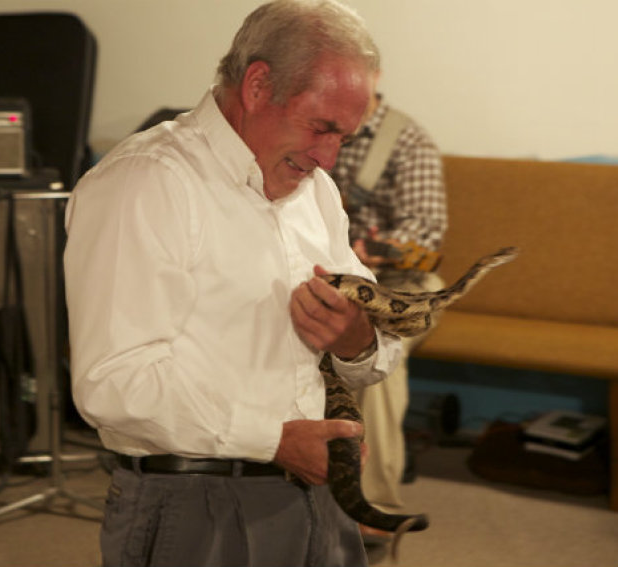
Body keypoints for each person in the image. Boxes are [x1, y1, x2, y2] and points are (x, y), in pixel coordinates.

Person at [63, 1, 404, 566]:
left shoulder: (315, 192)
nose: (328, 158)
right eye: (321, 127)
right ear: (258, 84)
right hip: (195, 504)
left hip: (318, 495)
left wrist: (354, 339)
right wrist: (273, 439)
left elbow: (375, 350)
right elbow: (111, 381)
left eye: (344, 137)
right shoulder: (145, 182)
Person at [328, 87, 448, 543]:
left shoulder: (407, 141)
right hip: (327, 283)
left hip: (402, 288)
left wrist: (369, 250)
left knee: (376, 355)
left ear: (372, 76)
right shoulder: (307, 130)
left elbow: (427, 237)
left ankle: (374, 507)